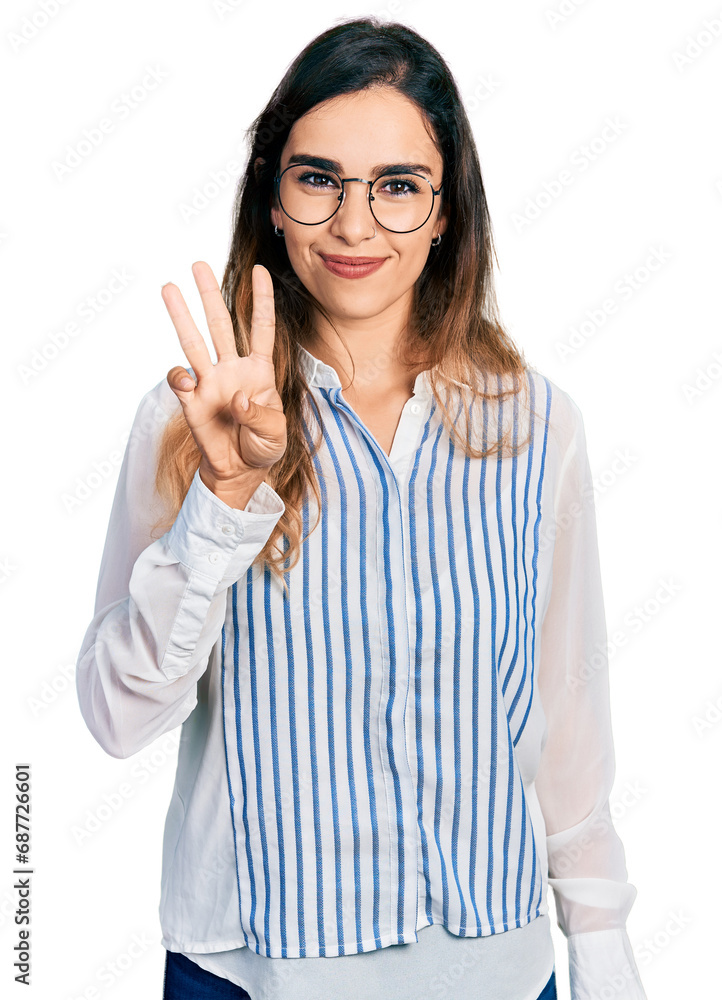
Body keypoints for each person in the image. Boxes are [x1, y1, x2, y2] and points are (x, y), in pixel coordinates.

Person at [75, 16, 648, 1000]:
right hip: (255, 975)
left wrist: (599, 947)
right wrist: (224, 497)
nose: (353, 225)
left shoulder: (537, 426)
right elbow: (116, 717)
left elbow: (565, 718)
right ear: (273, 197)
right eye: (319, 179)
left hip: (495, 972)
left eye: (397, 186)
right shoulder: (188, 418)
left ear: (445, 213)